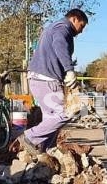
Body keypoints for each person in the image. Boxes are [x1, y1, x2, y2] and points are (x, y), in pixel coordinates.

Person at [11, 8, 88, 157]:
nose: (81, 31)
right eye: (82, 26)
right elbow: (60, 46)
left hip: (39, 79)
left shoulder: (54, 27)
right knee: (65, 114)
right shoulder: (62, 28)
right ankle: (28, 138)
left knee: (51, 120)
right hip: (46, 80)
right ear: (74, 19)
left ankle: (45, 152)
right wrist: (69, 70)